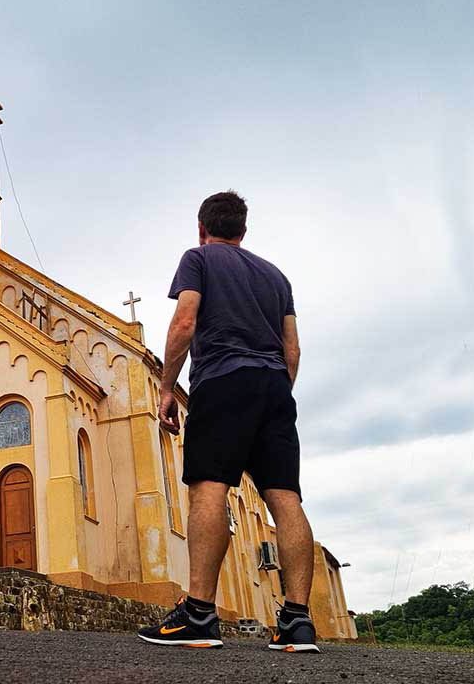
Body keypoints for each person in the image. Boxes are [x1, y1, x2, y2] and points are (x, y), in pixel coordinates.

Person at [137, 191, 320, 653]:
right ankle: (297, 622)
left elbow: (184, 323)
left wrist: (165, 388)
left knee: (209, 488)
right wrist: (277, 391)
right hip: (276, 386)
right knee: (285, 498)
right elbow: (292, 348)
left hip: (222, 379)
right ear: (243, 229)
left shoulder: (198, 259)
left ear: (203, 228)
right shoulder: (276, 277)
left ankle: (199, 614)